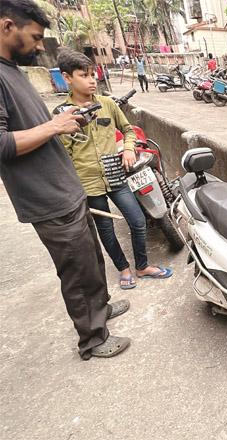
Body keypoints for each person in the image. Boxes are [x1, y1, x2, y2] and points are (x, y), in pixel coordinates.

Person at [0, 0, 130, 359]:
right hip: (47, 200)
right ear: (8, 26)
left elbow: (32, 130)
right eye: (36, 37)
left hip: (66, 190)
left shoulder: (12, 70)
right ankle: (93, 339)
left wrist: (64, 121)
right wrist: (54, 125)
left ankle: (100, 310)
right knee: (76, 270)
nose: (41, 46)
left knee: (90, 259)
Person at [55, 48, 173, 291]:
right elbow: (62, 155)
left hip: (115, 174)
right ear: (67, 78)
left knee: (138, 220)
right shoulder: (61, 115)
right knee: (106, 230)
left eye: (93, 74)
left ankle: (142, 266)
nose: (92, 80)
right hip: (87, 182)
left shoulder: (108, 104)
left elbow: (128, 130)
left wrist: (129, 149)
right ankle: (124, 269)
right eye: (84, 75)